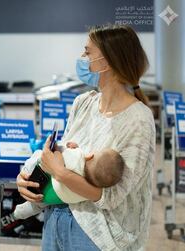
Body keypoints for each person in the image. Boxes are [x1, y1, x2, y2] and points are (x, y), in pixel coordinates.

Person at [16, 24, 155, 251]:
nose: (82, 57)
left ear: (107, 61)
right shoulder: (83, 103)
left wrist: (59, 171)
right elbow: (64, 156)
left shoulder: (138, 119)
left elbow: (111, 197)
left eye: (87, 52)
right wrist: (31, 181)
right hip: (55, 220)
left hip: (98, 236)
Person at [13, 142, 125, 220]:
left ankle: (27, 171)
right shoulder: (88, 189)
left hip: (49, 184)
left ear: (90, 156)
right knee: (41, 202)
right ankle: (26, 210)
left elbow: (59, 156)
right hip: (55, 198)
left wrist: (71, 148)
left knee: (38, 153)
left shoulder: (78, 158)